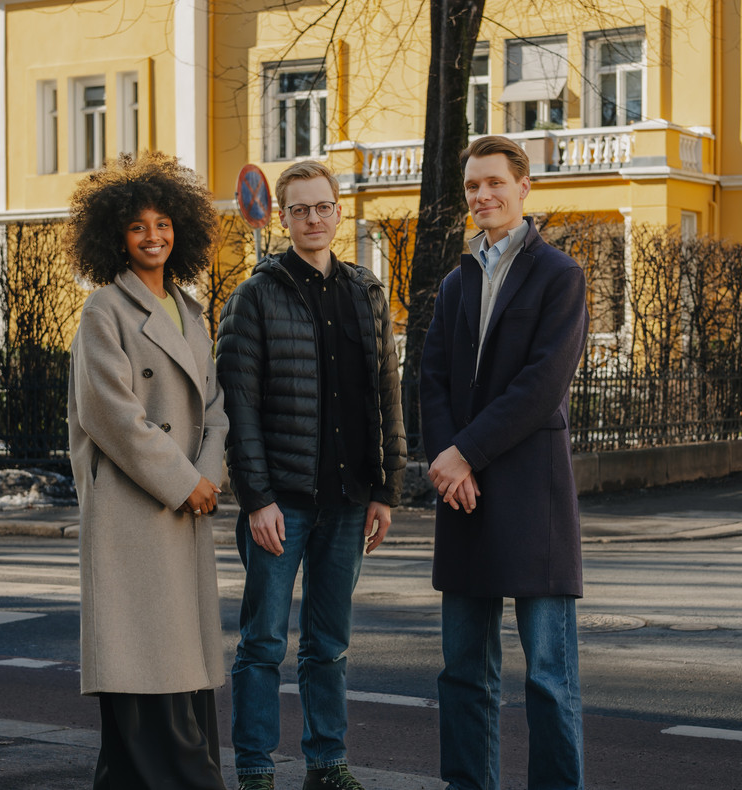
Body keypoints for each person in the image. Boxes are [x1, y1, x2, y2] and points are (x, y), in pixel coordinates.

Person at [217, 160, 407, 790]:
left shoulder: (366, 292)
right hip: (282, 505)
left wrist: (386, 488)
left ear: (339, 211)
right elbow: (236, 407)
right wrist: (256, 499)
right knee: (263, 644)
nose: (313, 219)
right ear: (282, 217)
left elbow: (387, 393)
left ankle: (327, 764)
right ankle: (255, 770)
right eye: (299, 209)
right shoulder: (255, 295)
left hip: (350, 501)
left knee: (329, 644)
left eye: (323, 207)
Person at [420, 135, 590, 790]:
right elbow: (431, 379)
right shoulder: (456, 283)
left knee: (548, 676)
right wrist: (444, 459)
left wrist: (464, 452)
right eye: (472, 186)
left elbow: (541, 385)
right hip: (460, 496)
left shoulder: (560, 277)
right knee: (463, 672)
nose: (482, 195)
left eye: (494, 183)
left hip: (532, 499)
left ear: (524, 188)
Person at [65, 151, 228, 790]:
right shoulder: (104, 311)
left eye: (163, 223)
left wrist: (207, 477)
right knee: (143, 661)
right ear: (116, 236)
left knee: (179, 663)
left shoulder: (191, 311)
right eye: (138, 226)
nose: (153, 235)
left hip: (187, 505)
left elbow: (214, 409)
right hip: (136, 510)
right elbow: (113, 416)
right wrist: (187, 483)